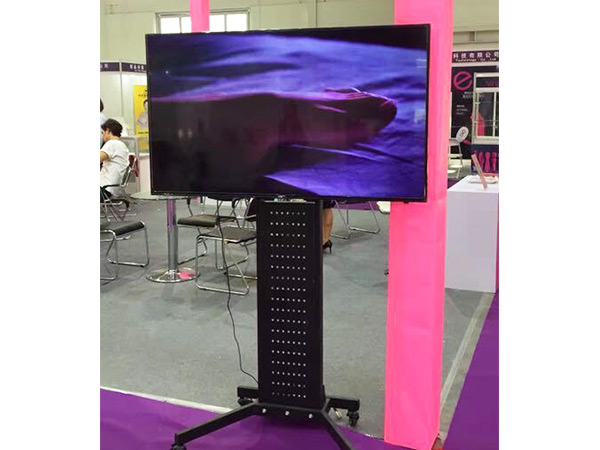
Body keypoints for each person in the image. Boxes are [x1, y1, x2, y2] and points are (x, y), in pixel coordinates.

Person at [100, 119, 129, 202]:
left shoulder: (112, 143)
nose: (102, 136)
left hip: (104, 189)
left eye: (103, 132)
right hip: (111, 189)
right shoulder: (121, 145)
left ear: (108, 131)